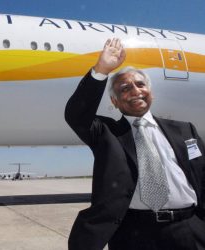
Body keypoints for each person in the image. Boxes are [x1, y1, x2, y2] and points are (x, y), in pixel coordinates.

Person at [65, 38, 205, 250]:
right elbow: (76, 115)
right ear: (114, 101)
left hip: (188, 229)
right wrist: (101, 69)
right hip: (134, 234)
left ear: (150, 92)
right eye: (124, 88)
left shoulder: (185, 130)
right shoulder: (107, 133)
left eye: (140, 84)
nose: (135, 91)